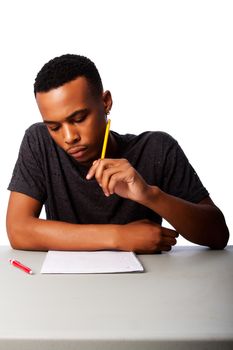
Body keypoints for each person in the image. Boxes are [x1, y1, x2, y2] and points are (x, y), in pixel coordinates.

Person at [6, 54, 229, 252]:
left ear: (105, 102)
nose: (68, 137)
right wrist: (119, 237)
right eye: (54, 127)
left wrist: (151, 195)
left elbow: (218, 235)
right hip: (67, 289)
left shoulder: (157, 148)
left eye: (79, 119)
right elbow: (18, 230)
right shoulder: (39, 142)